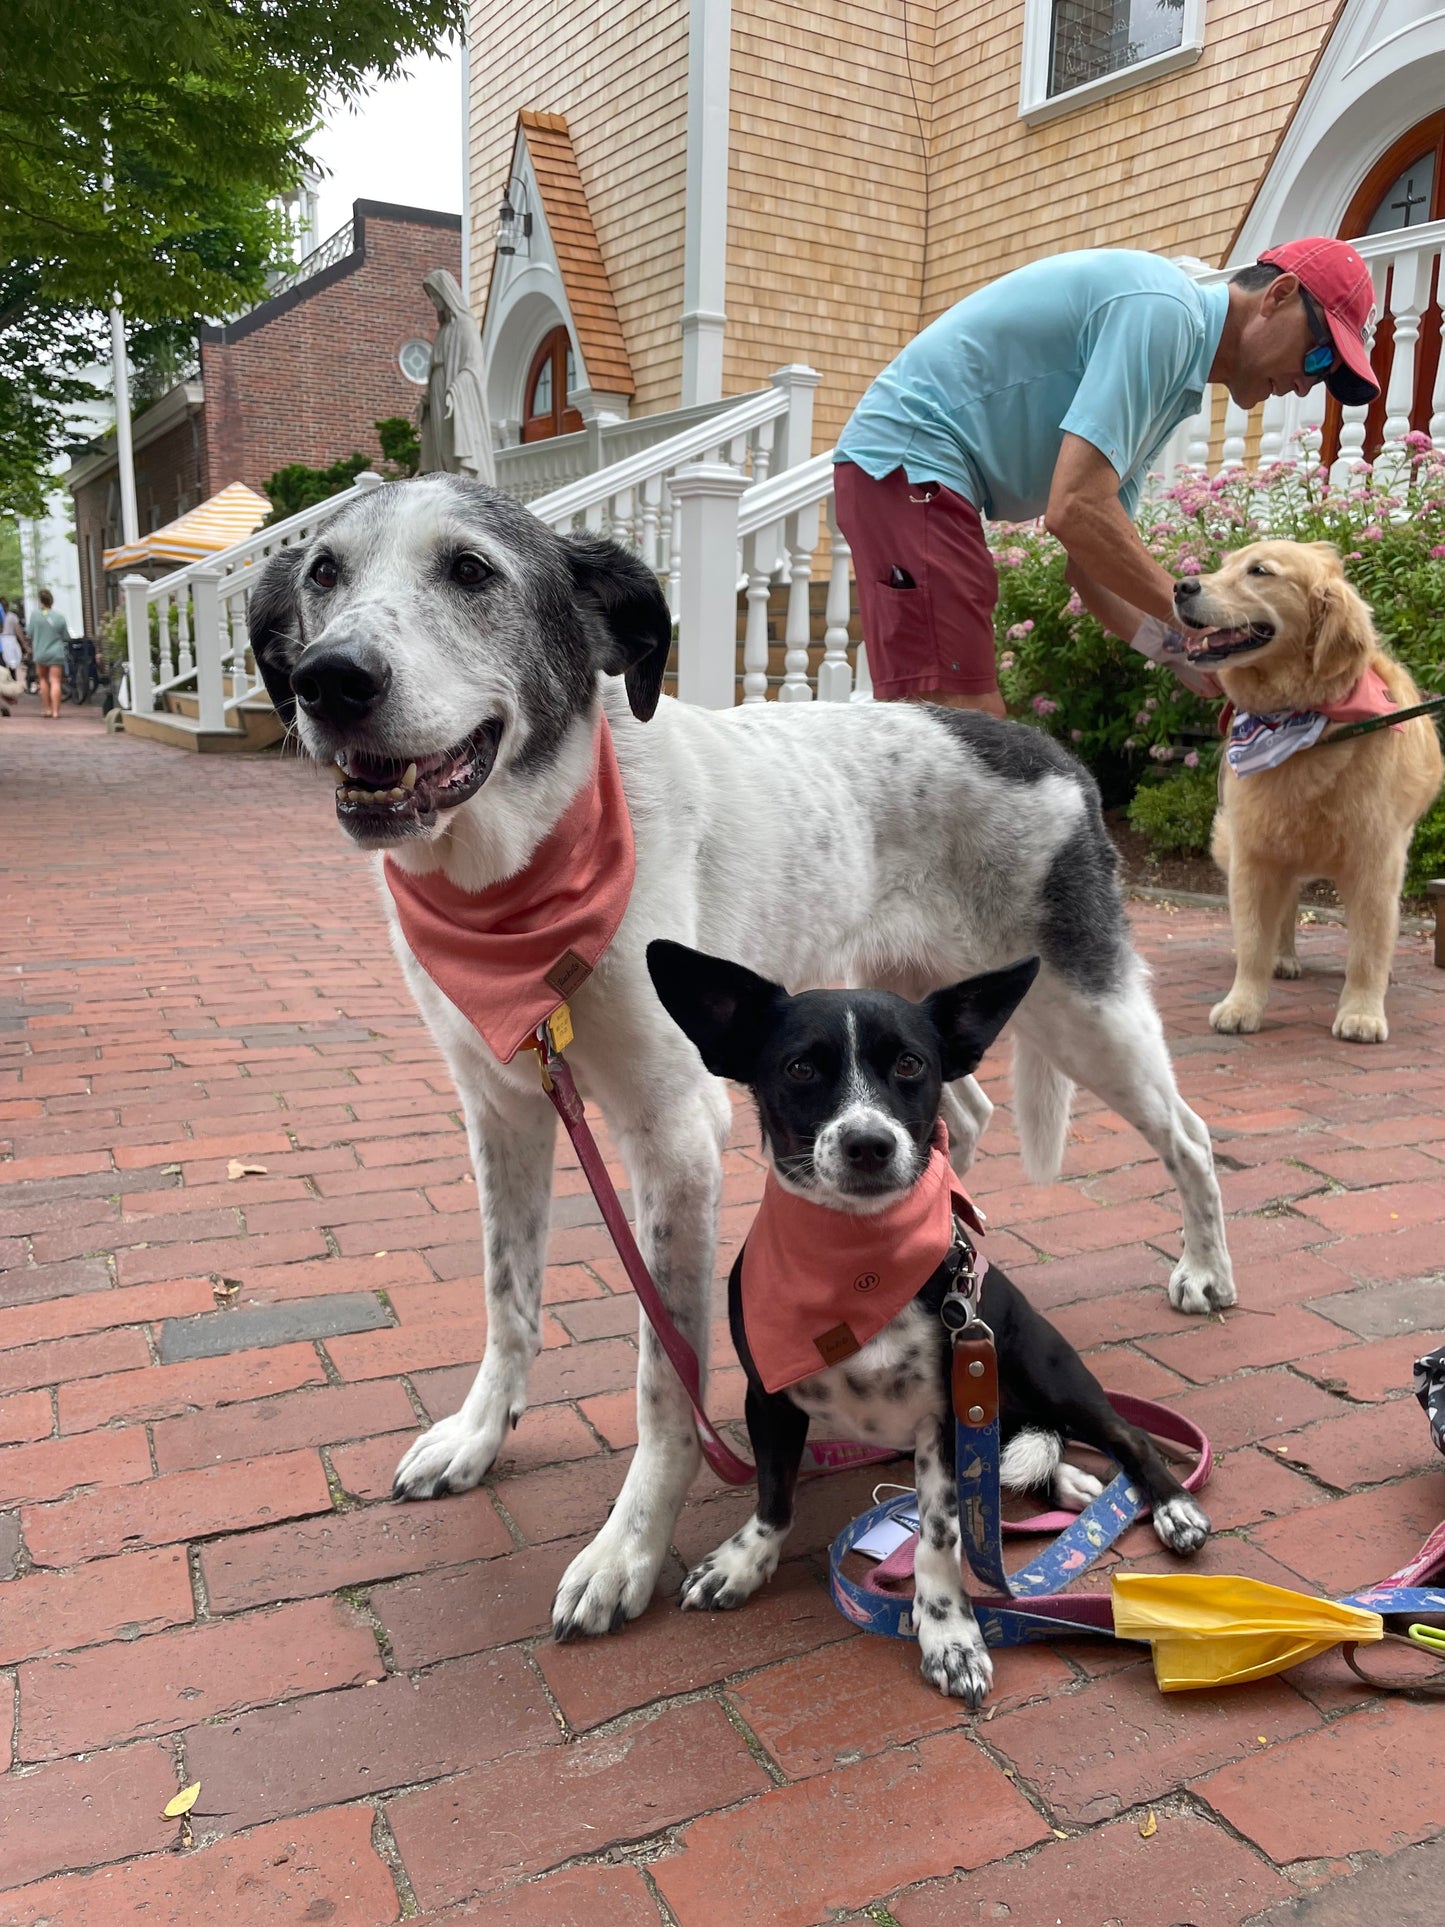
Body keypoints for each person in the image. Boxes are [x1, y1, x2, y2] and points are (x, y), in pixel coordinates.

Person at [833, 236, 1381, 714]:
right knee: (962, 726)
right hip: (908, 461)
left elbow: (1088, 570)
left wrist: (1179, 654)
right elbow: (1076, 509)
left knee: (946, 734)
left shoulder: (1175, 376)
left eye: (1326, 378)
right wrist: (1198, 617)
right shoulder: (1163, 312)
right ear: (1279, 295)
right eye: (1318, 356)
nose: (1308, 386)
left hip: (919, 477)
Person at [28, 589, 70, 719]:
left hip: (40, 652)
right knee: (55, 681)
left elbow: (30, 633)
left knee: (43, 680)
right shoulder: (59, 617)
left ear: (41, 601)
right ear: (52, 601)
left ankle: (47, 709)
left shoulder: (35, 616)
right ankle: (56, 712)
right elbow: (66, 637)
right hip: (55, 653)